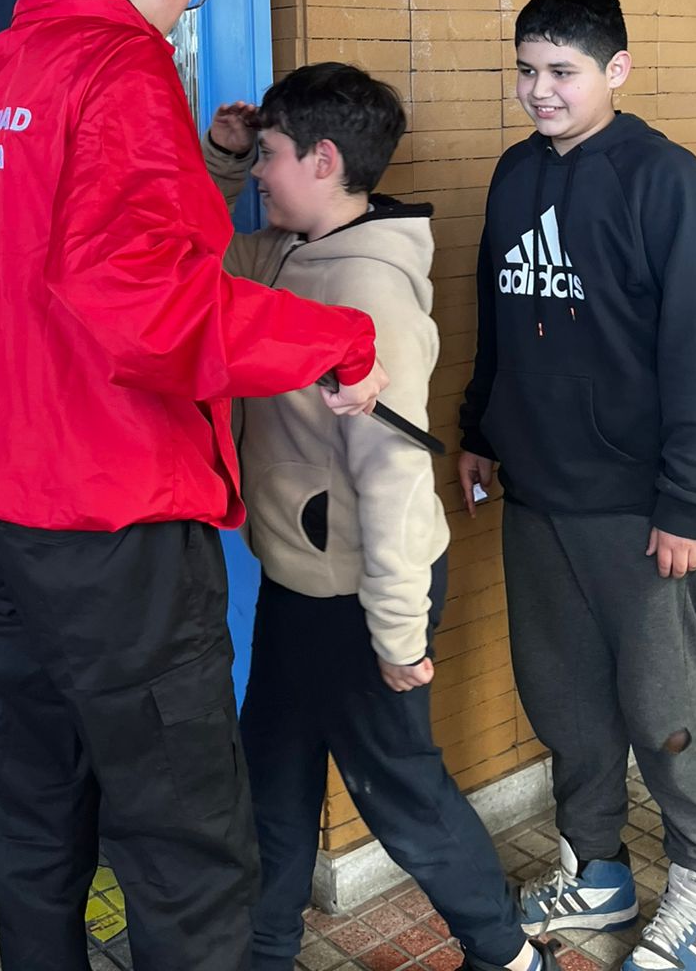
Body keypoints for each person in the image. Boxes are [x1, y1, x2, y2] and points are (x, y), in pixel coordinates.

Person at [0, 0, 388, 971]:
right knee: (183, 844)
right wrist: (336, 339)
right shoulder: (123, 70)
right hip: (103, 522)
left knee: (31, 823)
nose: (185, 1)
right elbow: (148, 307)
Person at [203, 63, 553, 971]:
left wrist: (397, 634)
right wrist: (225, 162)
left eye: (270, 156)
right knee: (273, 775)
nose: (261, 173)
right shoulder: (286, 251)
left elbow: (395, 478)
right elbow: (197, 266)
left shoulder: (368, 292)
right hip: (300, 580)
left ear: (323, 160)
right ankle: (264, 951)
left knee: (398, 791)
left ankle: (507, 954)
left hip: (364, 590)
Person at [457, 0, 696, 971]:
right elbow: (498, 316)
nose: (539, 90)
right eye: (526, 70)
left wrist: (690, 501)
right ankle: (597, 868)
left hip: (638, 508)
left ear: (617, 70)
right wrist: (479, 428)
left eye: (563, 71)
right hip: (537, 491)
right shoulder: (513, 174)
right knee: (566, 700)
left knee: (664, 707)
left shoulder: (665, 180)